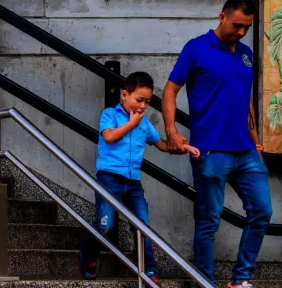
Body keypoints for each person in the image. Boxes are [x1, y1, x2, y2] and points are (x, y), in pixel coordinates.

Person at [162, 0, 272, 288]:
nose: (241, 32)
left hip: (246, 152)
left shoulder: (246, 53)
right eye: (237, 25)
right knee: (209, 221)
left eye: (246, 27)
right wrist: (172, 131)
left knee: (262, 210)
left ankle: (240, 280)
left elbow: (245, 100)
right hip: (211, 150)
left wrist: (256, 143)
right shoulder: (196, 48)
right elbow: (171, 90)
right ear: (222, 16)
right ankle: (204, 282)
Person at [79, 72, 195, 284]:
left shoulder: (144, 123)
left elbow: (159, 143)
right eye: (139, 100)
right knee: (106, 225)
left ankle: (149, 270)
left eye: (147, 102)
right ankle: (87, 255)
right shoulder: (110, 114)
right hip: (109, 178)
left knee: (143, 225)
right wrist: (131, 124)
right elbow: (109, 136)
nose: (143, 106)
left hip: (133, 182)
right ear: (125, 95)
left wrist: (179, 147)